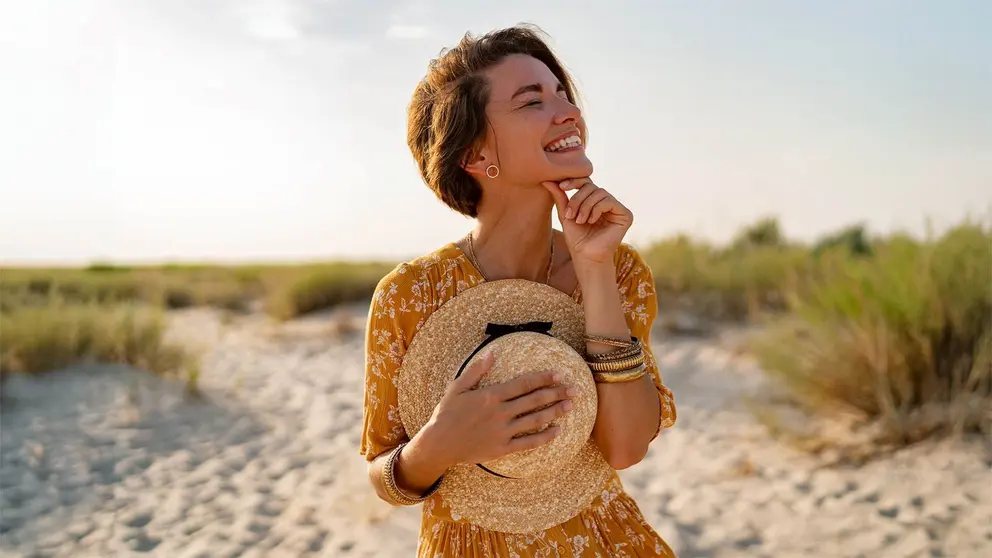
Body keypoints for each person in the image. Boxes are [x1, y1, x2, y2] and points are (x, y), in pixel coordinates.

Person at [360, 24, 678, 557]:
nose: (568, 112)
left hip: (606, 541)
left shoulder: (619, 270)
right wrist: (437, 444)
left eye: (563, 94)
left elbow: (625, 448)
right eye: (533, 101)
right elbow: (382, 471)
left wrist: (594, 269)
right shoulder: (411, 295)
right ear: (475, 155)